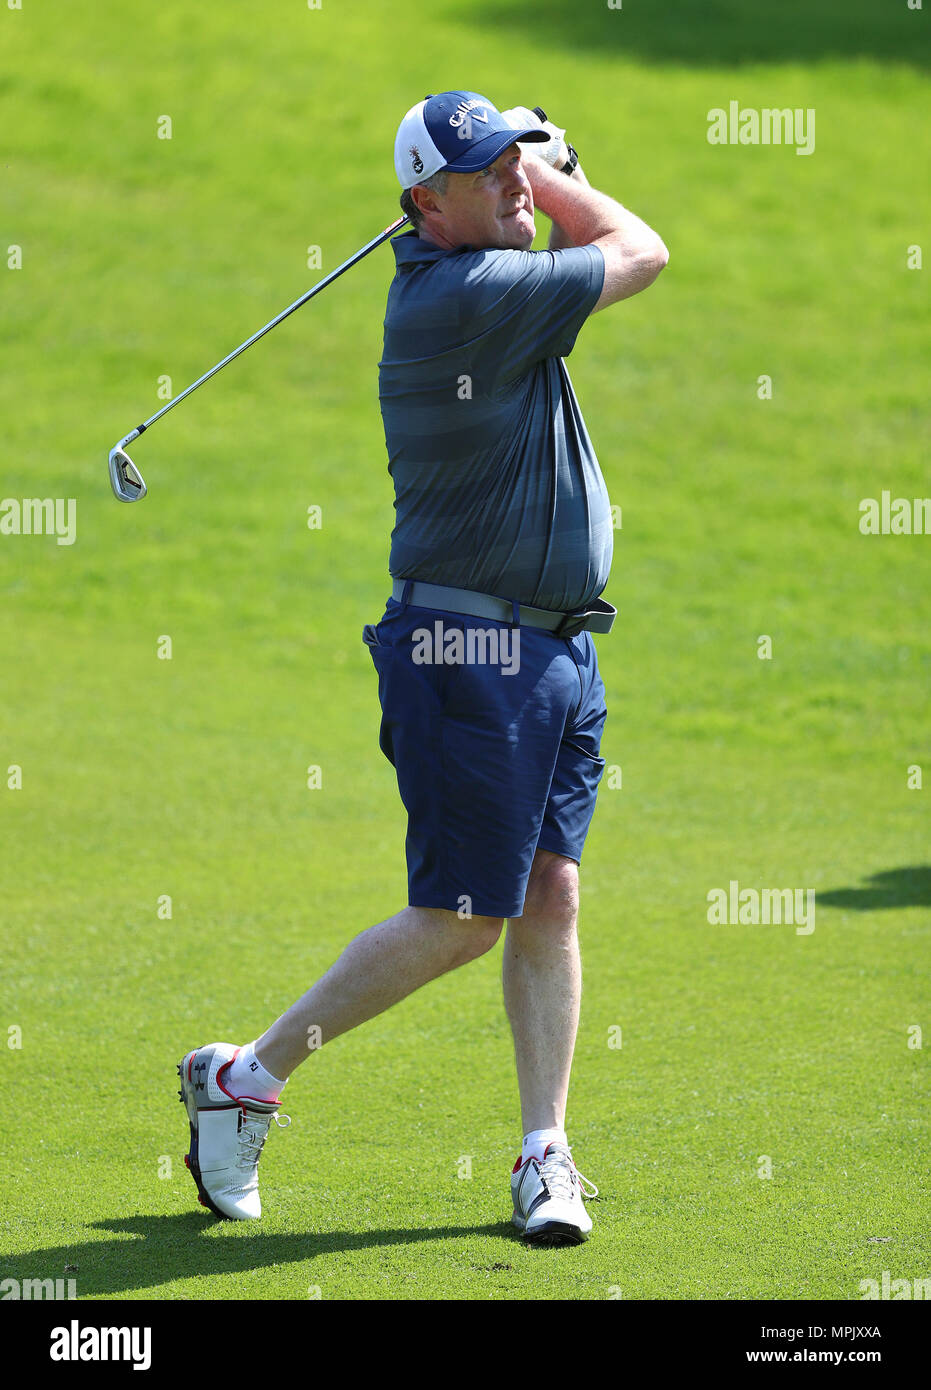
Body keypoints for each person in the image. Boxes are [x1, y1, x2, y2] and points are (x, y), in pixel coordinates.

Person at [178, 90, 668, 1246]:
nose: (511, 183)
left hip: (551, 644)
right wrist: (551, 167)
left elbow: (583, 243)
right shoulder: (464, 300)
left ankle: (543, 1153)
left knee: (549, 892)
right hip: (472, 647)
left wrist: (525, 170)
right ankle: (246, 1076)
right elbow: (640, 249)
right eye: (487, 170)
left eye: (513, 162)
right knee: (461, 916)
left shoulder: (491, 276)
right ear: (422, 206)